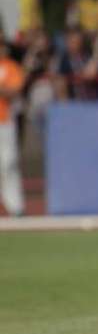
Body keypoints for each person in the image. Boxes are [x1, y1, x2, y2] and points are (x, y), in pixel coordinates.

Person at [0, 37, 25, 217]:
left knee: (8, 163)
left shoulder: (10, 67)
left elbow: (14, 91)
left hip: (4, 122)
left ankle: (15, 207)